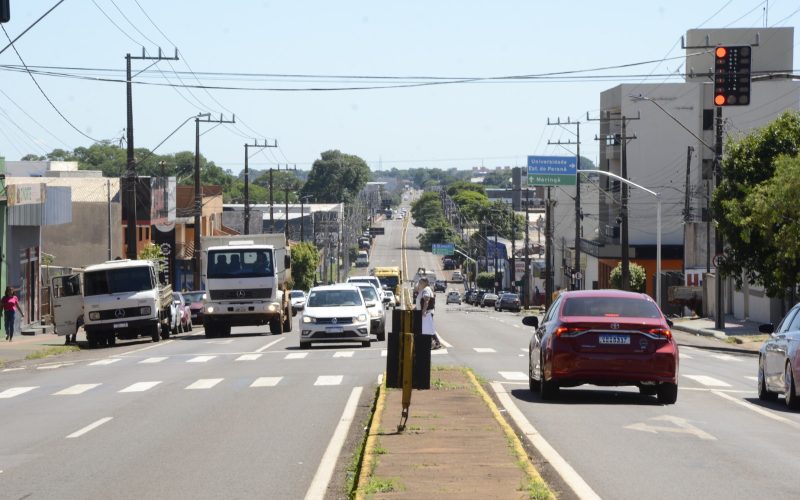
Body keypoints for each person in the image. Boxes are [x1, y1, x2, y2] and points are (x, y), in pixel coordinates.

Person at [415, 277, 442, 349]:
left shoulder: (426, 289)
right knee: (428, 329)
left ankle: (435, 343)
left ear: (425, 282)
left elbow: (426, 300)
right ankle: (434, 343)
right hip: (426, 313)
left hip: (426, 313)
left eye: (420, 282)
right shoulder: (424, 289)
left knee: (428, 329)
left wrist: (423, 311)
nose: (419, 284)